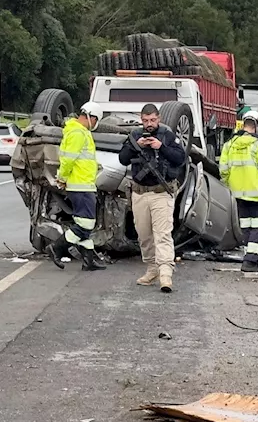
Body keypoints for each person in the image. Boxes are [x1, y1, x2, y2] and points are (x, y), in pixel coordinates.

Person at [118, 103, 188, 291]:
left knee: (163, 234)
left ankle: (165, 274)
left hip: (161, 193)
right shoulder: (134, 136)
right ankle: (152, 269)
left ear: (159, 119)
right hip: (140, 193)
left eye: (153, 120)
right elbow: (123, 158)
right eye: (146, 120)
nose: (149, 124)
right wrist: (136, 146)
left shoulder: (167, 135)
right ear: (141, 120)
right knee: (144, 235)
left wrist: (161, 147)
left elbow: (180, 158)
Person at [50, 102, 106, 272]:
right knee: (86, 224)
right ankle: (57, 247)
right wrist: (62, 177)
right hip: (80, 185)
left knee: (85, 223)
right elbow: (68, 160)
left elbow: (80, 158)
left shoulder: (78, 131)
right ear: (92, 118)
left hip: (83, 183)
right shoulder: (78, 133)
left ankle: (88, 261)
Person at [220, 109, 258, 272]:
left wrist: (231, 185)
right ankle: (251, 262)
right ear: (257, 126)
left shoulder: (229, 145)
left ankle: (248, 257)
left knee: (246, 227)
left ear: (243, 124)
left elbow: (223, 170)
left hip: (238, 194)